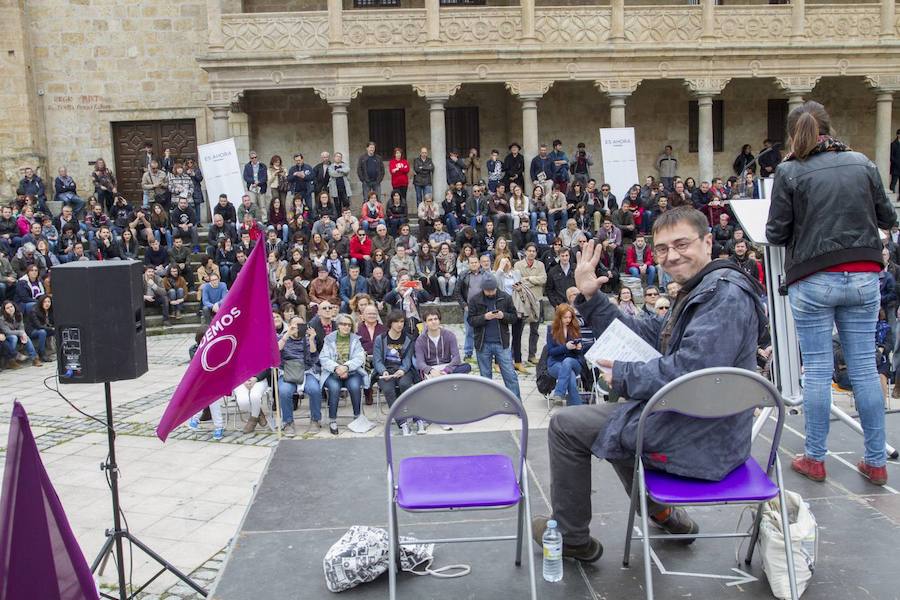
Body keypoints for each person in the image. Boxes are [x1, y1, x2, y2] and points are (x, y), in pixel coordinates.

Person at [532, 207, 768, 563]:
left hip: (704, 439)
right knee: (620, 422)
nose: (671, 255)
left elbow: (690, 373)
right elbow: (652, 337)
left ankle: (570, 537)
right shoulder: (702, 289)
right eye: (661, 248)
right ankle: (663, 515)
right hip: (697, 425)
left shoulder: (723, 297)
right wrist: (593, 299)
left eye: (682, 243)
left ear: (707, 242)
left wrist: (626, 375)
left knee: (569, 426)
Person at [766, 101, 897, 486]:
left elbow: (775, 233)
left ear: (794, 135)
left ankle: (815, 458)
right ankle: (875, 461)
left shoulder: (789, 171)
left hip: (813, 276)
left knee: (820, 370)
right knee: (865, 370)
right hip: (863, 275)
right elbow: (888, 218)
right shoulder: (862, 163)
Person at [467, 273, 521, 399]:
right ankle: (488, 404)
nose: (490, 292)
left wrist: (503, 316)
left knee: (510, 375)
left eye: (493, 290)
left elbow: (514, 318)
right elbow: (470, 321)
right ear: (483, 288)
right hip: (483, 343)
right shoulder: (475, 300)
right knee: (485, 377)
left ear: (497, 287)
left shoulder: (505, 297)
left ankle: (516, 404)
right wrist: (484, 317)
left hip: (501, 343)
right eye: (487, 290)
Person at [317, 313, 369, 435]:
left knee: (355, 387)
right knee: (334, 388)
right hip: (332, 373)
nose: (346, 327)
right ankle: (332, 420)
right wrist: (336, 368)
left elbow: (360, 357)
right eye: (343, 324)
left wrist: (346, 367)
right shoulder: (329, 339)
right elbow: (323, 358)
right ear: (338, 325)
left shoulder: (355, 339)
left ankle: (357, 417)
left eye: (349, 325)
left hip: (352, 372)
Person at [373, 310, 418, 435]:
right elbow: (377, 360)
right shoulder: (380, 339)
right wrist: (384, 371)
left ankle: (411, 413)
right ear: (390, 323)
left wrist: (402, 369)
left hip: (403, 370)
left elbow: (408, 359)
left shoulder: (408, 338)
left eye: (402, 322)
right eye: (396, 322)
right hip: (386, 370)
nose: (400, 325)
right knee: (388, 390)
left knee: (404, 385)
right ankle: (402, 422)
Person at [414, 306, 471, 380]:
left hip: (447, 367)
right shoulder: (420, 340)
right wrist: (430, 370)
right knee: (417, 373)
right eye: (430, 320)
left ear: (439, 320)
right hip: (431, 368)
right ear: (425, 323)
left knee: (467, 366)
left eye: (436, 319)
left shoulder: (449, 335)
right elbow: (420, 362)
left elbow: (456, 358)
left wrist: (446, 370)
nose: (433, 322)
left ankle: (445, 377)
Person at [546, 304, 585, 406]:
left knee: (567, 361)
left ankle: (559, 393)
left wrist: (578, 348)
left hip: (574, 362)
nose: (568, 320)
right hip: (555, 363)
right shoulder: (551, 329)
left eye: (570, 317)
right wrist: (565, 347)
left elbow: (579, 354)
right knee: (570, 375)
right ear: (559, 317)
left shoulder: (575, 328)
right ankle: (576, 406)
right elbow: (550, 352)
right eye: (565, 317)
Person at [1, 300, 41, 368]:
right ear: (4, 310)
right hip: (7, 337)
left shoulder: (19, 314)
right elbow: (7, 331)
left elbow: (21, 327)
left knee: (26, 337)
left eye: (11, 306)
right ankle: (11, 361)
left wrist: (23, 334)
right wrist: (21, 333)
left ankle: (34, 358)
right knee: (14, 337)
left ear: (14, 307)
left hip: (18, 334)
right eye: (7, 308)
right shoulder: (2, 319)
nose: (10, 309)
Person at [25, 294, 54, 362]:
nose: (47, 304)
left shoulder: (50, 310)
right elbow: (38, 326)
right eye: (44, 302)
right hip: (33, 330)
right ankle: (42, 353)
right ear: (41, 302)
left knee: (58, 330)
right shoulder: (34, 311)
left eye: (48, 302)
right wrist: (51, 328)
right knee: (42, 332)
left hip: (45, 329)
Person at [890, 128, 900, 193]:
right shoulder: (893, 144)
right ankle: (891, 197)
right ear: (897, 135)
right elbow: (891, 156)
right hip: (895, 167)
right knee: (893, 182)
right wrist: (897, 163)